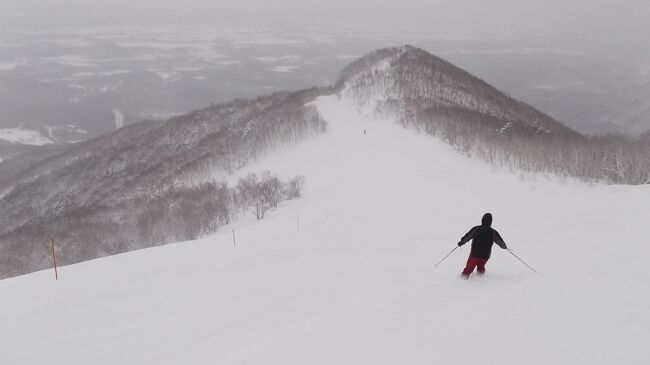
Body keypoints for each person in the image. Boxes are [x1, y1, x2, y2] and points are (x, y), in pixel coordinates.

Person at [457, 213, 507, 279]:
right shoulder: (493, 232)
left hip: (475, 253)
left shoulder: (476, 229)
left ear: (482, 220)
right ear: (490, 222)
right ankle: (481, 281)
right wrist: (504, 247)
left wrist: (461, 242)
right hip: (485, 255)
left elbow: (467, 237)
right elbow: (500, 243)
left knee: (469, 268)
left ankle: (462, 281)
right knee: (481, 267)